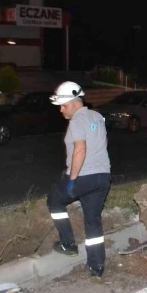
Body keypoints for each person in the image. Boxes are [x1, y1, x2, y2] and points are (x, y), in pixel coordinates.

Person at [48, 81, 111, 278]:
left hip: (83, 176)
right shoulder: (98, 117)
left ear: (74, 102)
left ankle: (68, 243)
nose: (61, 110)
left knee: (54, 201)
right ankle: (96, 265)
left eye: (63, 105)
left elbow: (80, 149)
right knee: (93, 221)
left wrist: (72, 180)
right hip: (103, 176)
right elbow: (104, 142)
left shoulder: (76, 121)